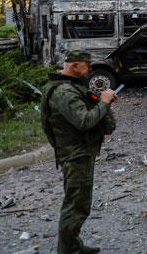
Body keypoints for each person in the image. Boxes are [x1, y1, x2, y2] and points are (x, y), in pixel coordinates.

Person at [41, 50, 117, 254]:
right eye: (87, 65)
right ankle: (68, 251)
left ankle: (73, 246)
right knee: (75, 207)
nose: (90, 69)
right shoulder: (64, 92)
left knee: (79, 204)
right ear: (75, 66)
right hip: (75, 155)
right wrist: (104, 102)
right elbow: (84, 121)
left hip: (80, 152)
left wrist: (101, 102)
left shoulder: (71, 88)